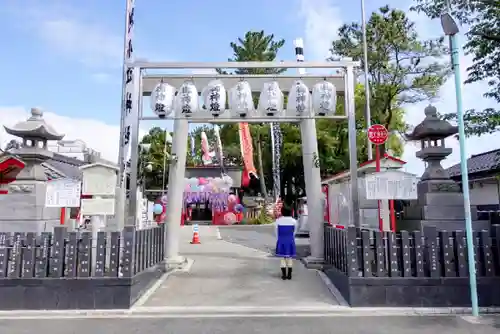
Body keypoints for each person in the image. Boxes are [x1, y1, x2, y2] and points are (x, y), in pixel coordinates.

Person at [274, 205, 297, 280]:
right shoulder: (294, 221)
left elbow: (276, 232)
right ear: (291, 212)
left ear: (282, 212)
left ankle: (284, 275)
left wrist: (279, 239)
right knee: (290, 258)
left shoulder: (278, 221)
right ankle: (289, 274)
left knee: (282, 258)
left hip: (281, 240)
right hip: (290, 240)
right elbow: (295, 232)